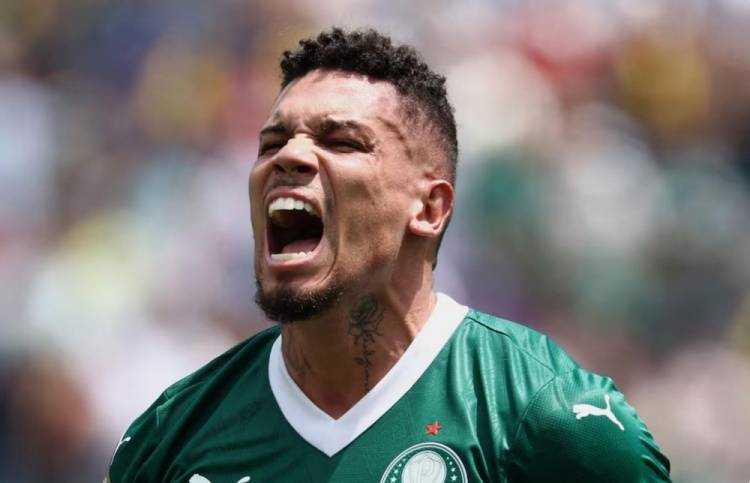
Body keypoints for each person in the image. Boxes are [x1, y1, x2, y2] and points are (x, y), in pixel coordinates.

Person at [107, 28, 671, 482]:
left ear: (429, 208)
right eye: (272, 143)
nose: (288, 157)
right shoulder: (172, 436)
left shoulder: (546, 418)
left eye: (341, 141)